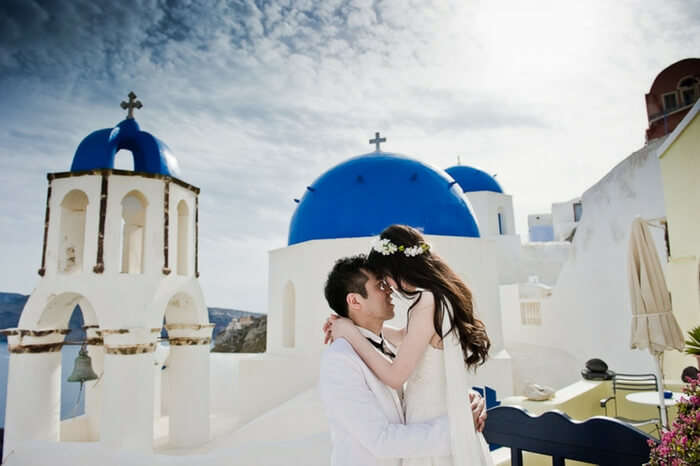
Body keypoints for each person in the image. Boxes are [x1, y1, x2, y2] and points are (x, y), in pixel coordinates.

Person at [328, 224, 494, 466]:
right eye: (381, 284)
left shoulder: (427, 302)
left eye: (385, 278)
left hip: (431, 425)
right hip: (434, 422)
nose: (389, 288)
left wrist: (351, 333)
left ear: (395, 267)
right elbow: (407, 337)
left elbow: (395, 377)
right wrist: (352, 324)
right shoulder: (436, 298)